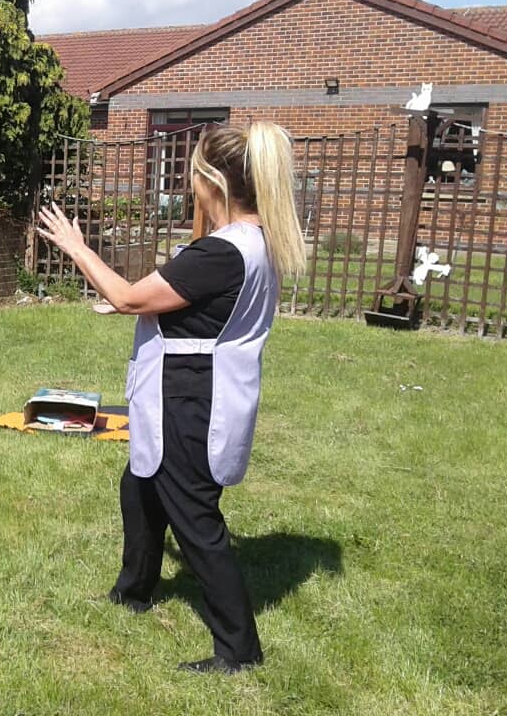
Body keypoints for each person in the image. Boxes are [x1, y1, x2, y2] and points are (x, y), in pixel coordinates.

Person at [36, 122, 306, 674]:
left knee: (195, 520)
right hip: (195, 393)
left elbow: (131, 295)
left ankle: (239, 649)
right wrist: (143, 304)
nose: (187, 185)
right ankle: (134, 589)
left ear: (212, 182)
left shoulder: (222, 252)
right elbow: (195, 304)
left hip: (191, 402)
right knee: (139, 486)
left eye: (193, 175)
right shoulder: (251, 242)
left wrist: (78, 248)